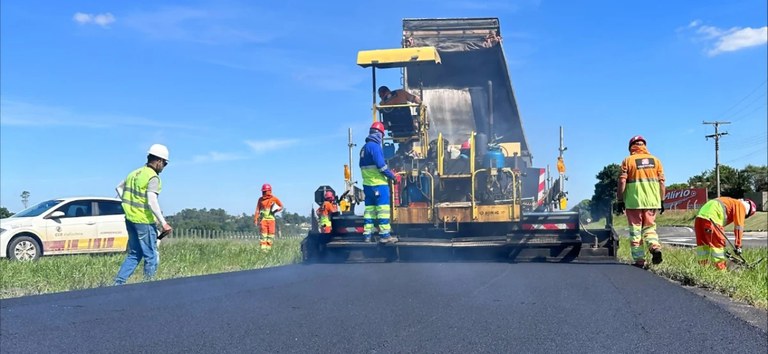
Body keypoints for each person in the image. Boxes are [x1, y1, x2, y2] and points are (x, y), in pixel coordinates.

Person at [114, 144, 172, 285]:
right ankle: (148, 288)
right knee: (151, 255)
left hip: (130, 219)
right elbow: (152, 201)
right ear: (158, 161)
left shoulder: (134, 174)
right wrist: (163, 223)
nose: (164, 167)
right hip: (144, 221)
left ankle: (117, 284)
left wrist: (129, 205)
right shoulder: (153, 177)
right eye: (164, 163)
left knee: (135, 254)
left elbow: (118, 187)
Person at [616, 135, 665, 268]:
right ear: (644, 145)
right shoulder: (656, 161)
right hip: (652, 202)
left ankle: (639, 260)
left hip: (634, 202)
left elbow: (622, 181)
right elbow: (662, 182)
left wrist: (620, 200)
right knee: (649, 228)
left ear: (631, 147)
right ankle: (654, 247)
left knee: (636, 231)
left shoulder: (628, 160)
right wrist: (662, 199)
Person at [359, 121, 398, 243]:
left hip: (367, 185)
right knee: (383, 210)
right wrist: (393, 176)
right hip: (379, 184)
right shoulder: (375, 147)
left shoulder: (363, 148)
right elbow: (381, 166)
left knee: (369, 211)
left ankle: (367, 235)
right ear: (379, 134)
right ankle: (385, 235)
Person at [694, 197, 757, 270]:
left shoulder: (731, 202)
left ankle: (703, 269)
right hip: (712, 219)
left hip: (699, 219)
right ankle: (721, 271)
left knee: (703, 247)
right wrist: (738, 246)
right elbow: (739, 227)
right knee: (718, 247)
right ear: (747, 213)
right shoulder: (740, 206)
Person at [254, 184, 283, 251]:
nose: (263, 193)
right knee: (263, 236)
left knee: (271, 236)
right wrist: (255, 219)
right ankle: (263, 251)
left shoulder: (274, 199)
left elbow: (281, 206)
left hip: (271, 220)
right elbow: (257, 209)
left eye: (265, 191)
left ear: (269, 191)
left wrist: (276, 209)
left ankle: (268, 250)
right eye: (263, 191)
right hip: (263, 220)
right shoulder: (260, 200)